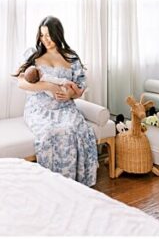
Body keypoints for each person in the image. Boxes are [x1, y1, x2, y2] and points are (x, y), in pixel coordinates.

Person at [15, 16, 98, 186]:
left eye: (49, 35)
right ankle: (51, 185)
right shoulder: (33, 54)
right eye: (42, 35)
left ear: (58, 35)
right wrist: (48, 86)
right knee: (49, 133)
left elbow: (80, 88)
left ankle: (74, 184)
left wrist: (70, 96)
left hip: (65, 108)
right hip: (39, 109)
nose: (45, 40)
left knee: (74, 129)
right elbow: (21, 83)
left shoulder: (71, 58)